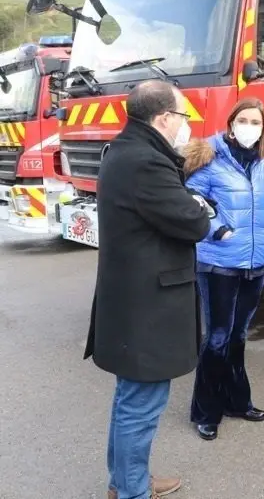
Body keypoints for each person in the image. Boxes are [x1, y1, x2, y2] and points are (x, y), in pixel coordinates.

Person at [84, 80, 212, 499]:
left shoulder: (126, 152)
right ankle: (132, 491)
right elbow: (193, 224)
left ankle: (124, 482)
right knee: (140, 407)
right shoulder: (146, 162)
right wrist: (199, 209)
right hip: (148, 310)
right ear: (163, 118)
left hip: (133, 302)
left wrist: (187, 202)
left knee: (130, 402)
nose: (186, 125)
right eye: (183, 117)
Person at [181, 98, 264, 441]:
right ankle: (206, 411)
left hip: (255, 263)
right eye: (244, 120)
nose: (250, 127)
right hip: (219, 263)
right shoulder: (211, 157)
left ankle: (238, 400)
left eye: (256, 121)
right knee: (218, 337)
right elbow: (191, 201)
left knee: (239, 336)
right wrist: (218, 230)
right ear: (231, 122)